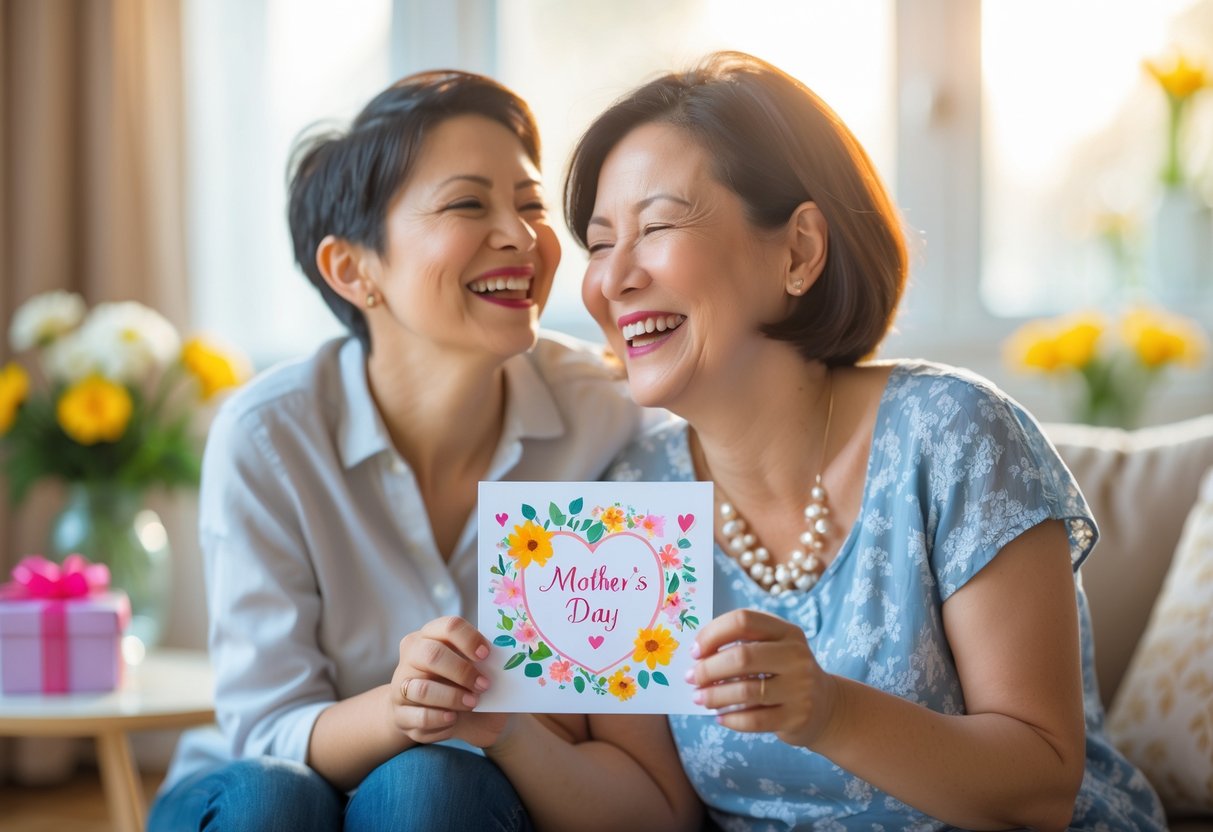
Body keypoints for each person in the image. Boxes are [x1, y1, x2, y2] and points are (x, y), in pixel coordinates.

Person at [565, 51, 1167, 831]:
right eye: (599, 242)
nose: (612, 280)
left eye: (655, 227)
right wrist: (502, 731)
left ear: (799, 250)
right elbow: (651, 811)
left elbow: (1039, 789)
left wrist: (826, 711)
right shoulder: (626, 501)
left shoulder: (953, 435)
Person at [149, 70, 699, 832]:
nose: (519, 234)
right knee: (273, 795)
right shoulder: (267, 438)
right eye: (469, 203)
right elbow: (267, 728)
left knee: (430, 783)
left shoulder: (609, 419)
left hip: (460, 800)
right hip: (255, 788)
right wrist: (401, 706)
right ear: (352, 269)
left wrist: (485, 725)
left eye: (530, 203)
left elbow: (637, 769)